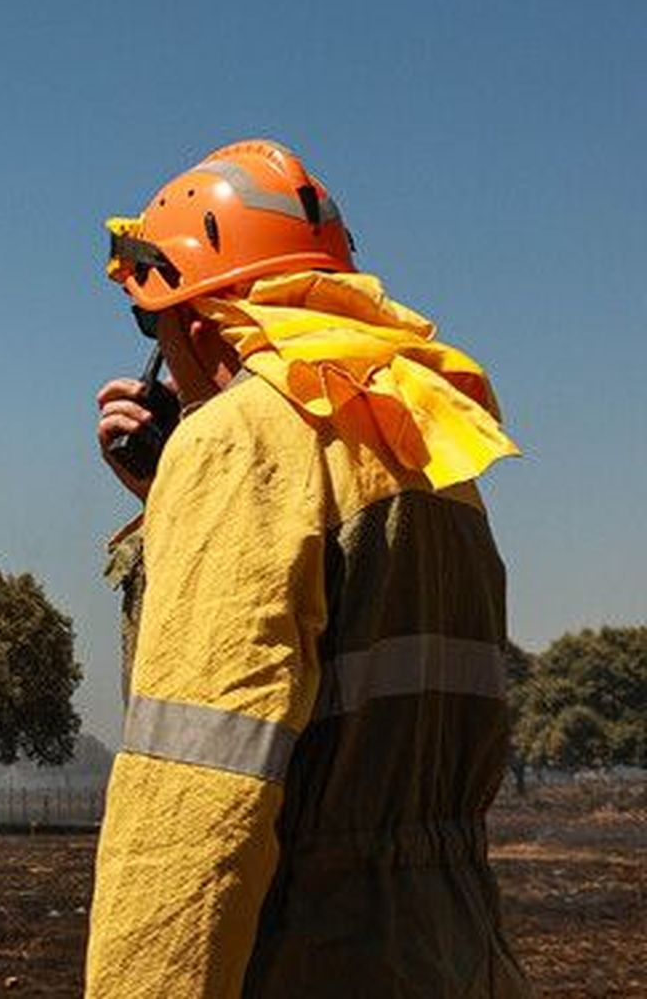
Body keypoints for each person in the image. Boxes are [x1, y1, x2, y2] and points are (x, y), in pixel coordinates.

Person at [85, 140, 530, 997]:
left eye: (153, 321)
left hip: (309, 956)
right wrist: (162, 497)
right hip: (454, 956)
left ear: (201, 318)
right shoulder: (424, 443)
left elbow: (194, 802)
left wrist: (197, 470)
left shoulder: (240, 444)